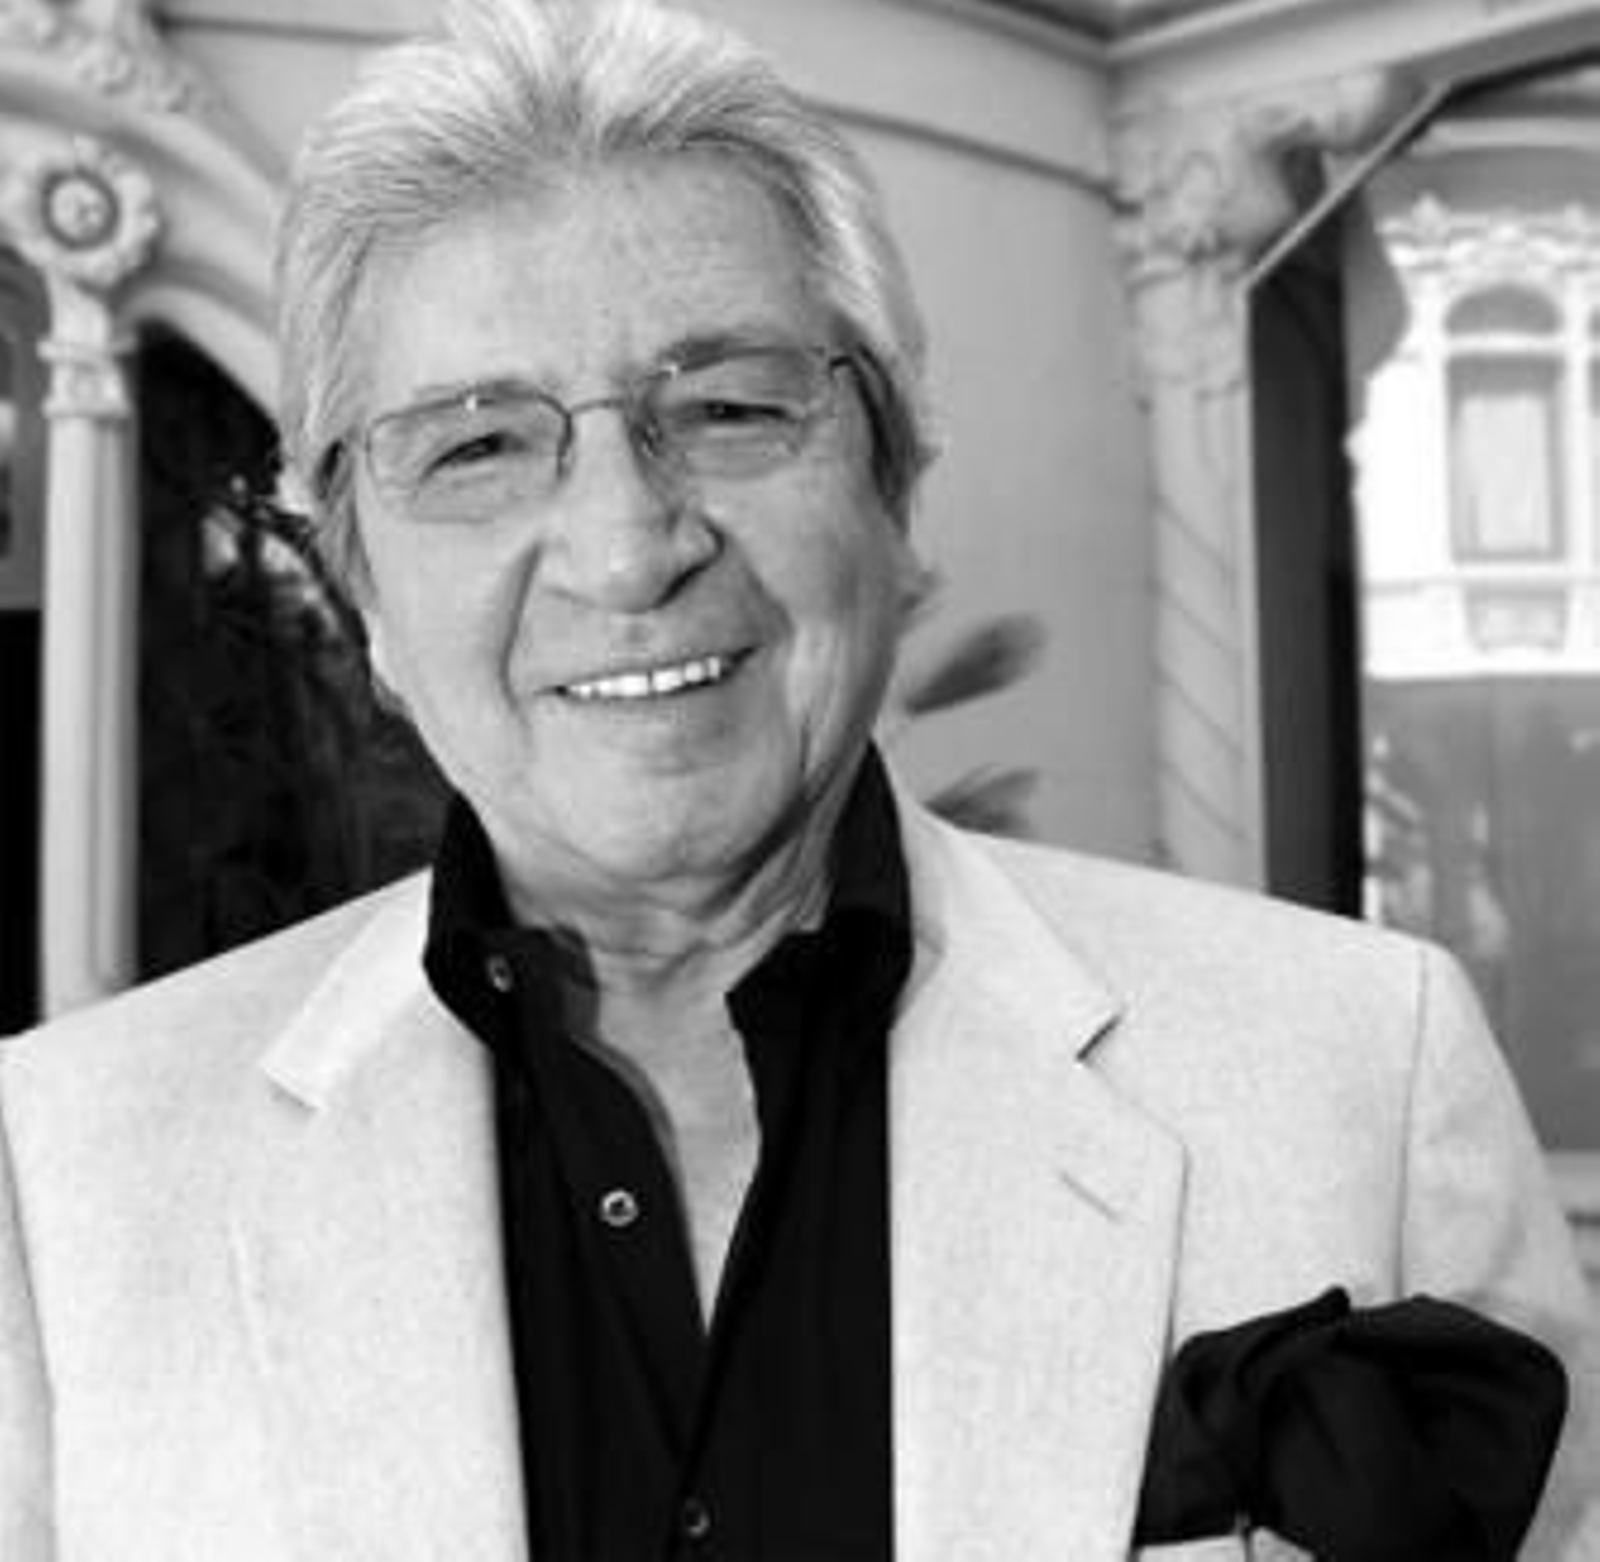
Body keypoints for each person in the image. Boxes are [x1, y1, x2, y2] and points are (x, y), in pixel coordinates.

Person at [1, 0, 1596, 1556]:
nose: (628, 549)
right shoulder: (69, 1174)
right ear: (363, 591)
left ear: (893, 490)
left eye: (728, 408)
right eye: (478, 445)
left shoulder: (1361, 1072)